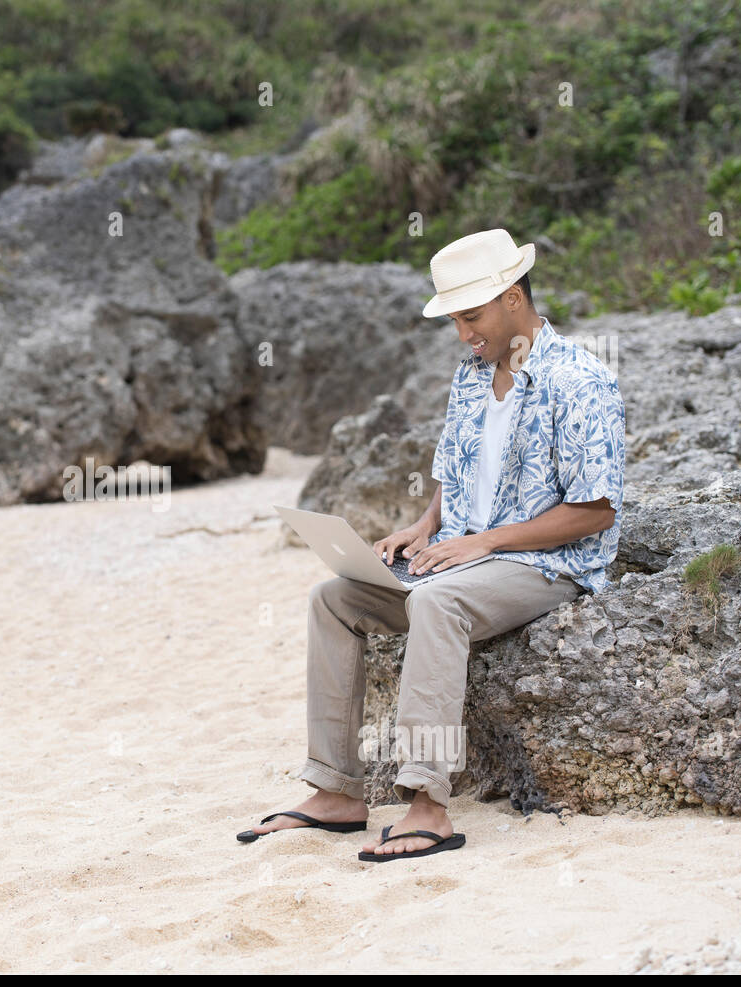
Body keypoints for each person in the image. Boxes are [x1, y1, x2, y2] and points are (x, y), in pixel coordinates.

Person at [238, 228, 626, 861]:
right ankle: (336, 792)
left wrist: (483, 544)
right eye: (454, 320)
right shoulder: (471, 376)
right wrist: (424, 527)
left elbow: (595, 512)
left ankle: (427, 804)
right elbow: (456, 470)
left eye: (471, 316)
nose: (464, 333)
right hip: (466, 558)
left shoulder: (582, 381)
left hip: (544, 565)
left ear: (511, 298)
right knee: (333, 597)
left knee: (437, 604)